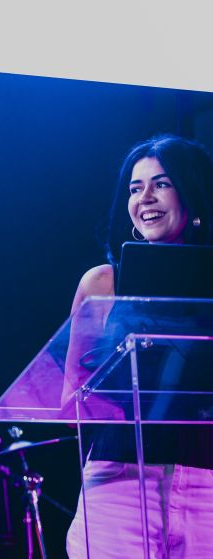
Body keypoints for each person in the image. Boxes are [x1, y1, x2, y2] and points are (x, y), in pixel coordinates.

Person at [65, 134, 213, 558]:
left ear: (193, 193)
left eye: (161, 184)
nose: (145, 197)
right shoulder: (103, 284)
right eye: (135, 187)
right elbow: (70, 402)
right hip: (120, 484)